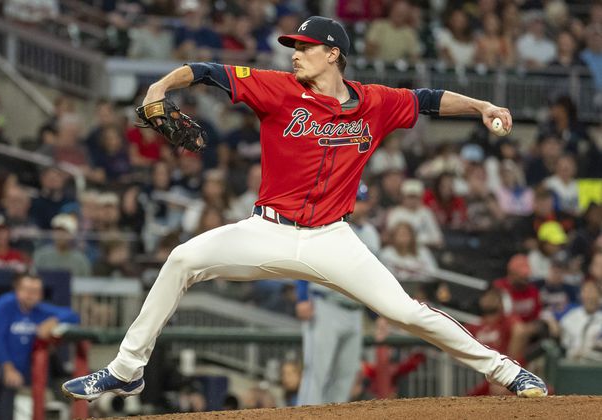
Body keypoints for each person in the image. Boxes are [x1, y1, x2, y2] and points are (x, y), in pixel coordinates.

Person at [62, 15, 547, 401]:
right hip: (266, 230)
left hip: (331, 238)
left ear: (333, 53)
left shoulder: (374, 102)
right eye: (294, 47)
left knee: (406, 311)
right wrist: (159, 89)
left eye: (304, 47)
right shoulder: (277, 89)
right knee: (181, 259)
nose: (295, 55)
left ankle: (508, 371)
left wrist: (482, 106)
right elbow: (205, 71)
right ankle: (127, 370)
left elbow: (428, 100)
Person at [295, 183, 380, 405]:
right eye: (354, 200)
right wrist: (302, 296)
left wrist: (378, 315)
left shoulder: (371, 233)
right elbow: (305, 261)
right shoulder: (327, 226)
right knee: (316, 374)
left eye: (361, 201)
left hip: (355, 312)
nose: (357, 206)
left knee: (345, 376)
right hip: (325, 306)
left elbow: (375, 278)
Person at [0, 272, 79, 420]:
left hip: (21, 370)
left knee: (57, 379)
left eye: (36, 291)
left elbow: (73, 315)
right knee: (9, 382)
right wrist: (8, 368)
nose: (31, 295)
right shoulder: (4, 304)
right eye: (27, 290)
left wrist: (53, 321)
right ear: (17, 290)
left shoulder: (40, 310)